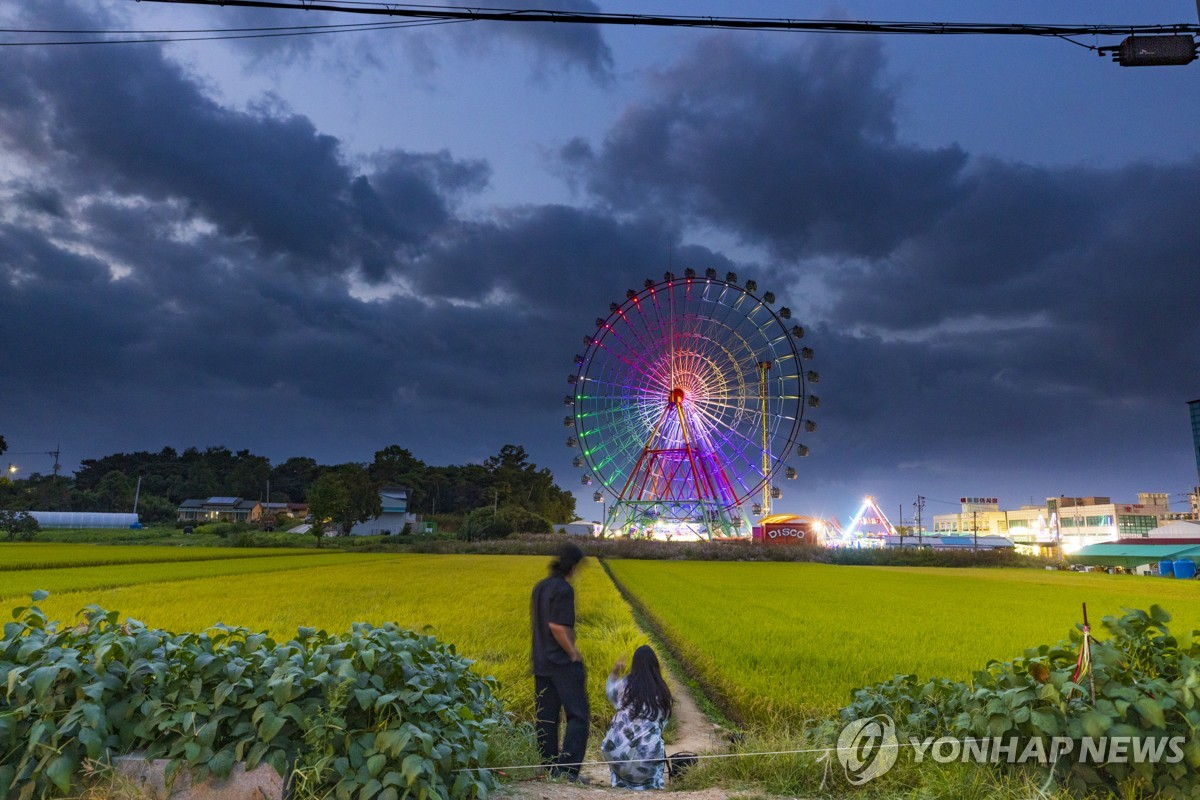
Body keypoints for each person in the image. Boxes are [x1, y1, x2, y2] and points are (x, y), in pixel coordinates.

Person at [530, 542, 588, 781]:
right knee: (578, 715)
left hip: (540, 659)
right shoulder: (564, 590)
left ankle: (550, 766)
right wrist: (572, 652)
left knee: (546, 716)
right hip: (561, 663)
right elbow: (557, 626)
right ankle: (568, 770)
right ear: (572, 566)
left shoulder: (540, 587)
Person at [601, 645, 673, 789]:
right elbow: (662, 725)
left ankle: (621, 782)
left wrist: (615, 672)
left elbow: (610, 692)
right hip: (647, 761)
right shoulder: (662, 690)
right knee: (656, 741)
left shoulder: (625, 685)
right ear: (655, 665)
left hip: (616, 755)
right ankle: (652, 783)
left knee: (618, 741)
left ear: (635, 664)